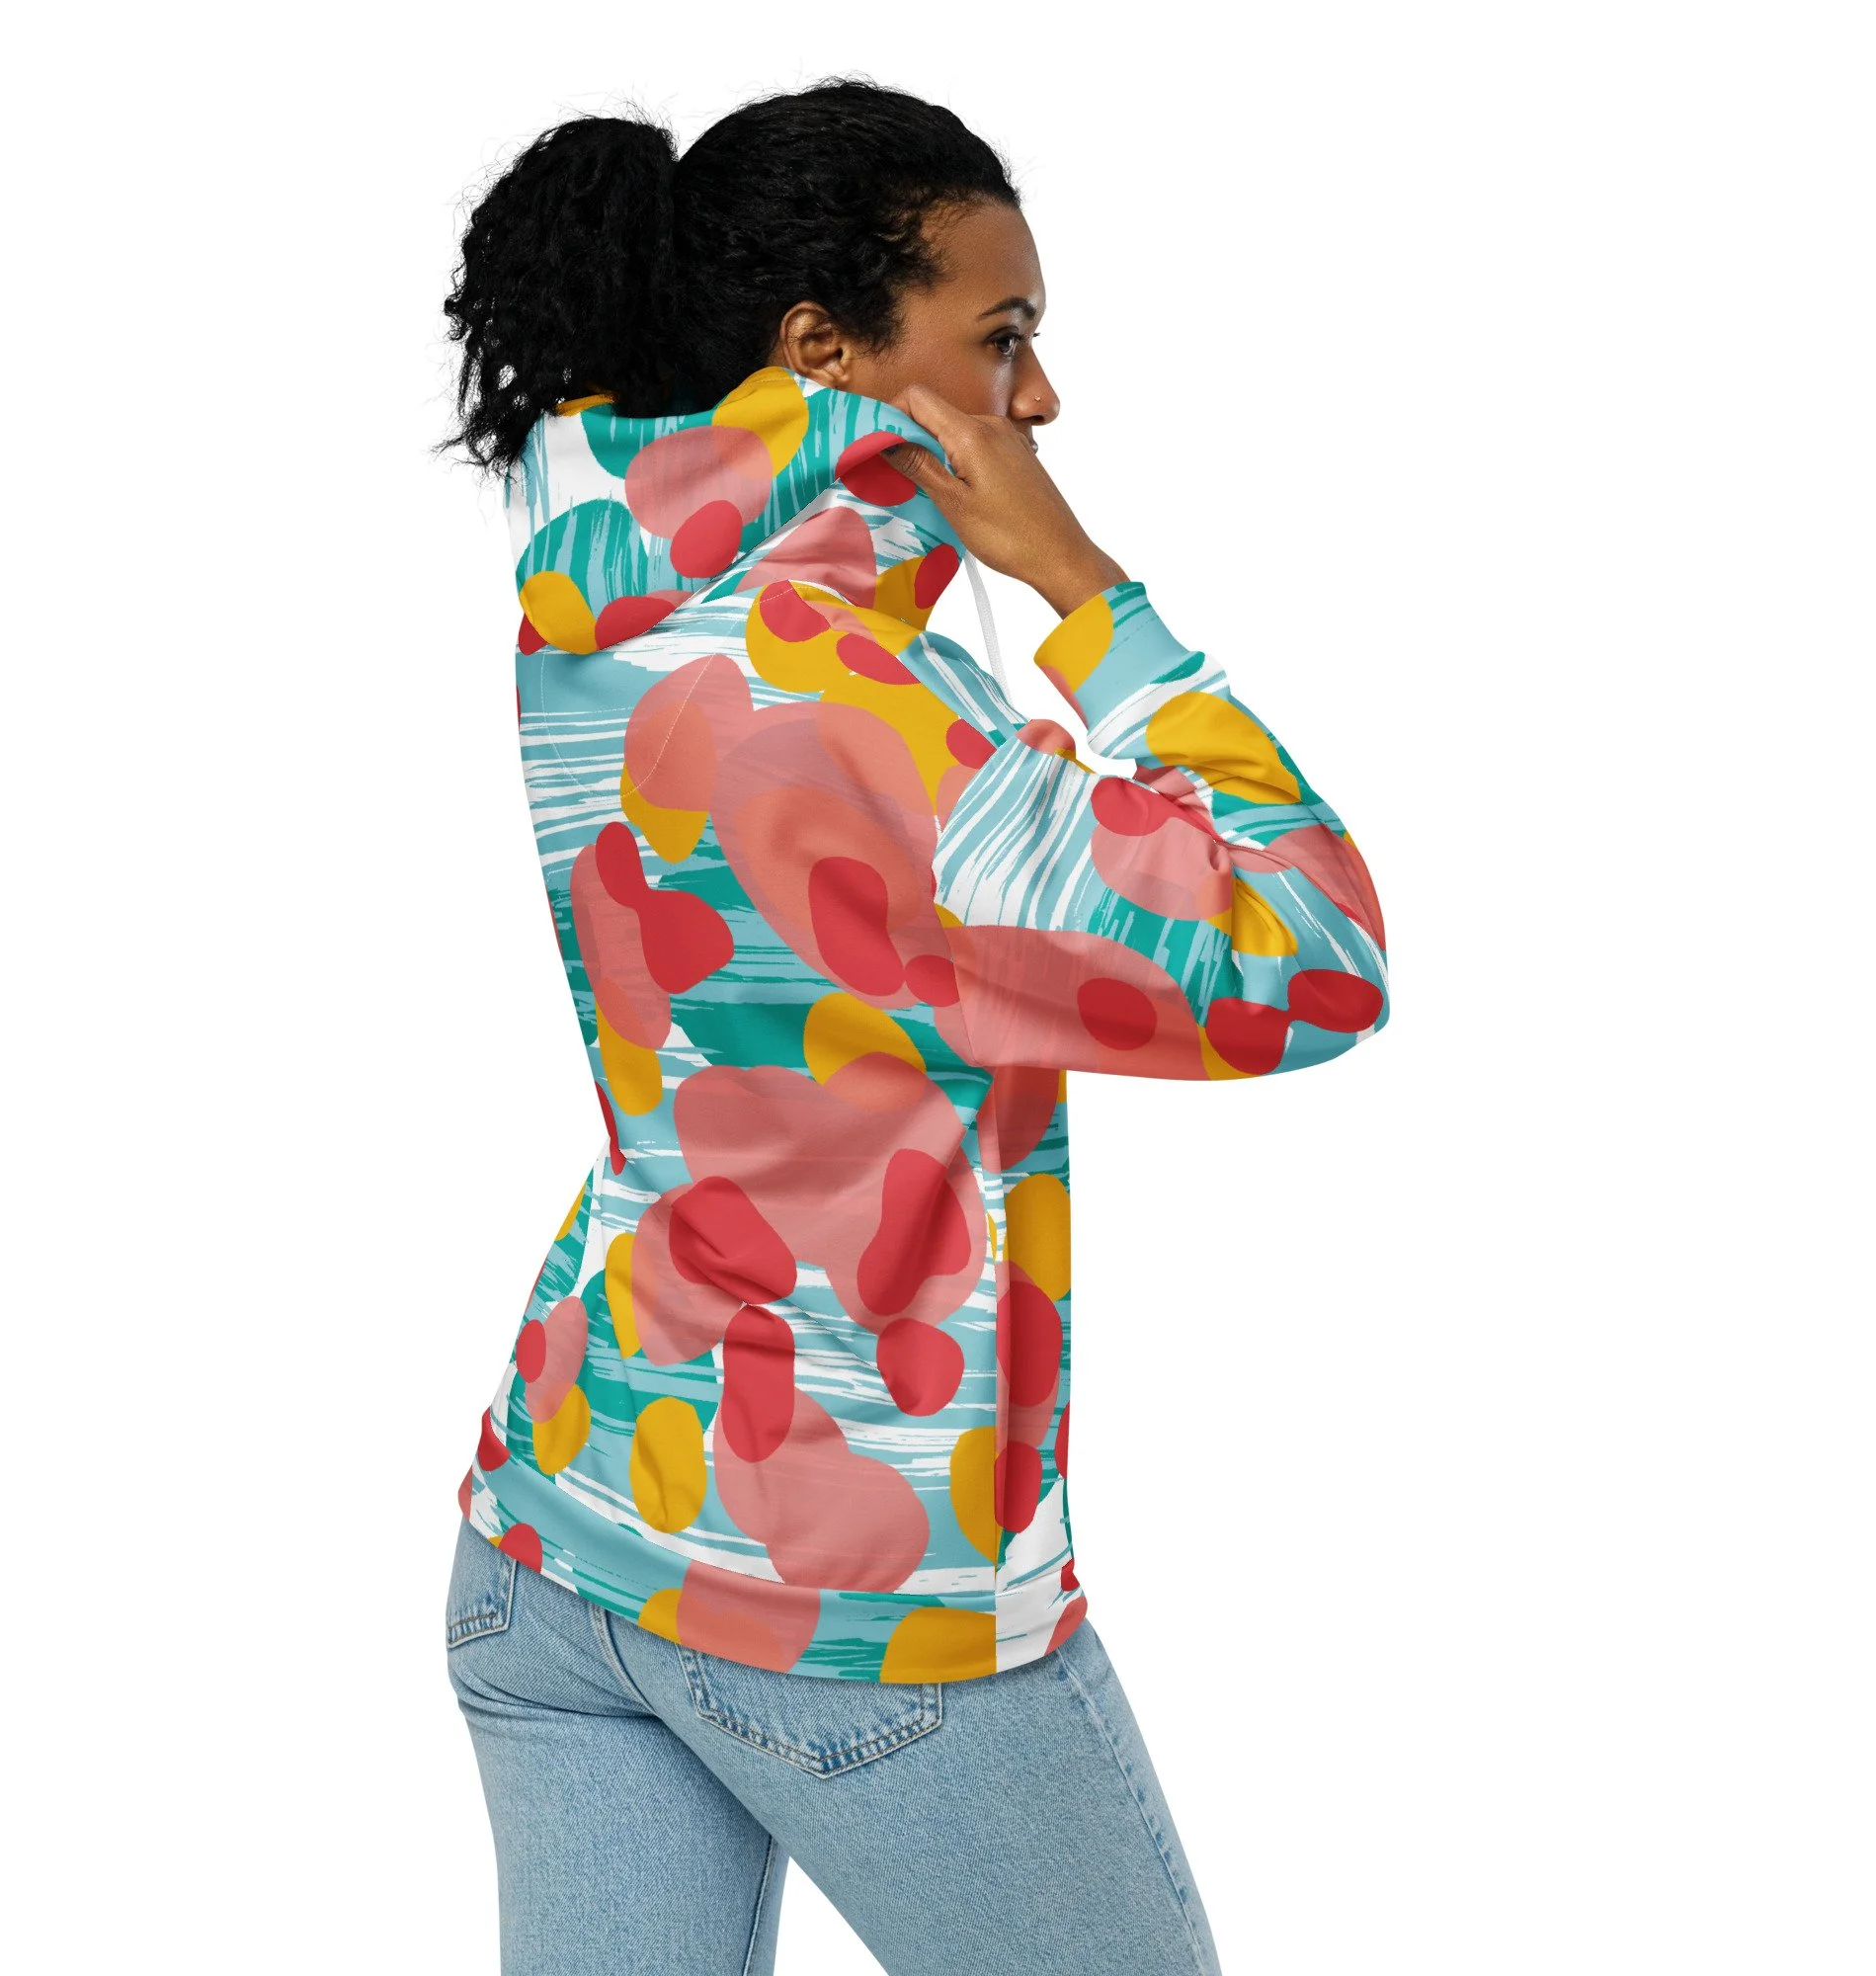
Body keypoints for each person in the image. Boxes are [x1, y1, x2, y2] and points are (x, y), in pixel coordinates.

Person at [438, 77, 1388, 1976]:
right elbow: (1313, 954)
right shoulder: (879, 726)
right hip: (845, 1600)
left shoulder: (597, 604)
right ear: (826, 352)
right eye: (1002, 336)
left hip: (560, 1524)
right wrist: (1087, 592)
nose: (1043, 399)